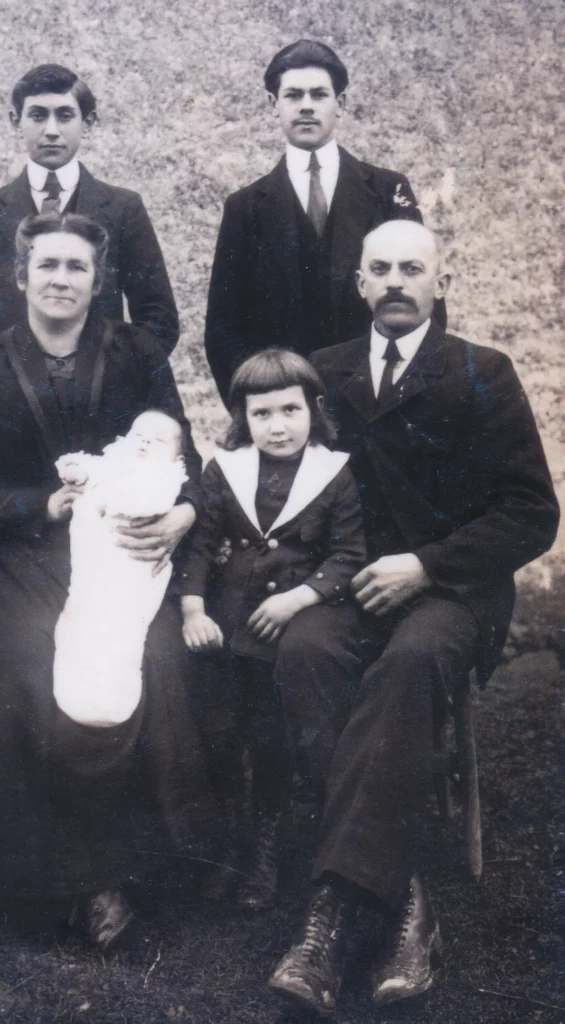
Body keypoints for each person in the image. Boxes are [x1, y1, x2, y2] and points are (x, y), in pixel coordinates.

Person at [268, 220, 560, 1015]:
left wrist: (427, 564)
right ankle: (403, 903)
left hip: (452, 594)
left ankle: (329, 918)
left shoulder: (480, 372)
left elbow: (531, 513)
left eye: (411, 268)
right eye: (380, 269)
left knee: (407, 663)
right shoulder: (322, 375)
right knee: (303, 651)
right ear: (358, 284)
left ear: (438, 281)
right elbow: (270, 483)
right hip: (346, 591)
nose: (395, 281)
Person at [0, 212, 209, 949]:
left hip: (119, 555)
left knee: (153, 666)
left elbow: (186, 462)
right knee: (28, 663)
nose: (60, 279)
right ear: (19, 278)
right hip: (24, 558)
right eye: (45, 265)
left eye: (76, 267)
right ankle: (63, 882)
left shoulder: (136, 351)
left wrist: (182, 514)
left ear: (97, 281)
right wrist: (35, 504)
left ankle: (131, 872)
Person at [176, 349, 366, 909]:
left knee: (269, 737)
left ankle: (264, 845)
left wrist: (298, 600)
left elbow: (349, 554)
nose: (277, 426)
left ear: (314, 410)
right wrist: (192, 609)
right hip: (223, 624)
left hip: (281, 631)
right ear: (243, 418)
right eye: (262, 414)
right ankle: (225, 845)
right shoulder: (224, 469)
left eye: (290, 410)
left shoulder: (333, 473)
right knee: (218, 734)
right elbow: (200, 545)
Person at [204, 39, 446, 404]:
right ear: (274, 105)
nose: (306, 107)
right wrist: (261, 408)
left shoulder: (387, 190)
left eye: (319, 94)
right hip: (287, 410)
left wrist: (403, 399)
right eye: (293, 95)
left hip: (377, 405)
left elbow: (426, 304)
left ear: (341, 104)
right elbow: (223, 329)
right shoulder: (245, 207)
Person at [0, 63, 178, 381]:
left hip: (101, 405)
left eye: (64, 115)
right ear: (16, 121)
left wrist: (116, 381)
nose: (51, 130)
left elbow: (159, 316)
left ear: (88, 122)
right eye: (37, 115)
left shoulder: (122, 208)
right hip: (11, 406)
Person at [53, 411, 188, 727]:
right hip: (95, 556)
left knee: (121, 625)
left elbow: (149, 502)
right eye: (139, 436)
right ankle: (75, 687)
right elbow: (89, 468)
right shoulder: (115, 463)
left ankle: (113, 699)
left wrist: (107, 500)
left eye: (158, 441)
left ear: (176, 457)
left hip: (132, 562)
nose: (145, 444)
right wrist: (76, 472)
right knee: (84, 613)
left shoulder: (163, 477)